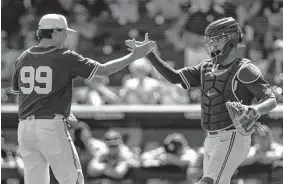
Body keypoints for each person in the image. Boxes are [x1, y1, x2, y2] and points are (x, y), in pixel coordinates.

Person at [126, 17, 277, 184]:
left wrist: (254, 110)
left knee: (207, 181)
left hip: (233, 135)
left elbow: (270, 99)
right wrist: (150, 54)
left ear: (231, 39)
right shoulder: (205, 67)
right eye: (211, 40)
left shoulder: (245, 69)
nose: (212, 44)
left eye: (217, 39)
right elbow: (174, 77)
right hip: (210, 138)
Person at [12, 13, 155, 184]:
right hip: (51, 127)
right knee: (73, 180)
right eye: (64, 32)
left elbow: (23, 96)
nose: (66, 36)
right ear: (55, 32)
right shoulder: (64, 55)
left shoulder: (23, 58)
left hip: (25, 128)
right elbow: (103, 70)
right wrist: (134, 56)